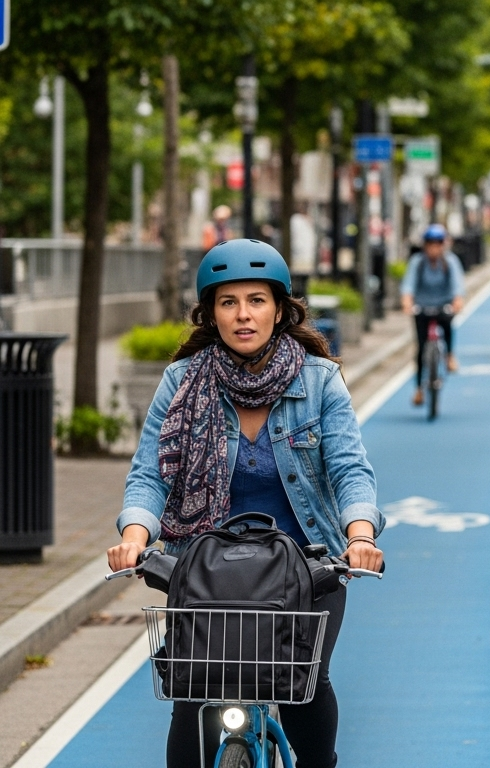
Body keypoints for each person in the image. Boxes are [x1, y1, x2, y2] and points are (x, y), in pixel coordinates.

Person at [108, 239, 384, 768]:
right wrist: (134, 538)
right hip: (208, 571)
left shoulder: (319, 380)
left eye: (256, 300)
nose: (243, 314)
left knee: (305, 683)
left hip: (307, 566)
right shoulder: (182, 381)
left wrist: (360, 538)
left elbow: (350, 468)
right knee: (191, 701)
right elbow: (150, 473)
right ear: (211, 313)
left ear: (279, 309)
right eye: (228, 302)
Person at [402, 223, 465, 407]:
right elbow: (408, 285)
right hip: (422, 306)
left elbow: (457, 285)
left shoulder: (450, 262)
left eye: (438, 243)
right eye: (430, 243)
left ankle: (449, 355)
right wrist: (407, 302)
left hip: (443, 305)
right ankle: (419, 390)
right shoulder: (417, 262)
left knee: (447, 326)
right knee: (421, 349)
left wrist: (457, 301)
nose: (434, 247)